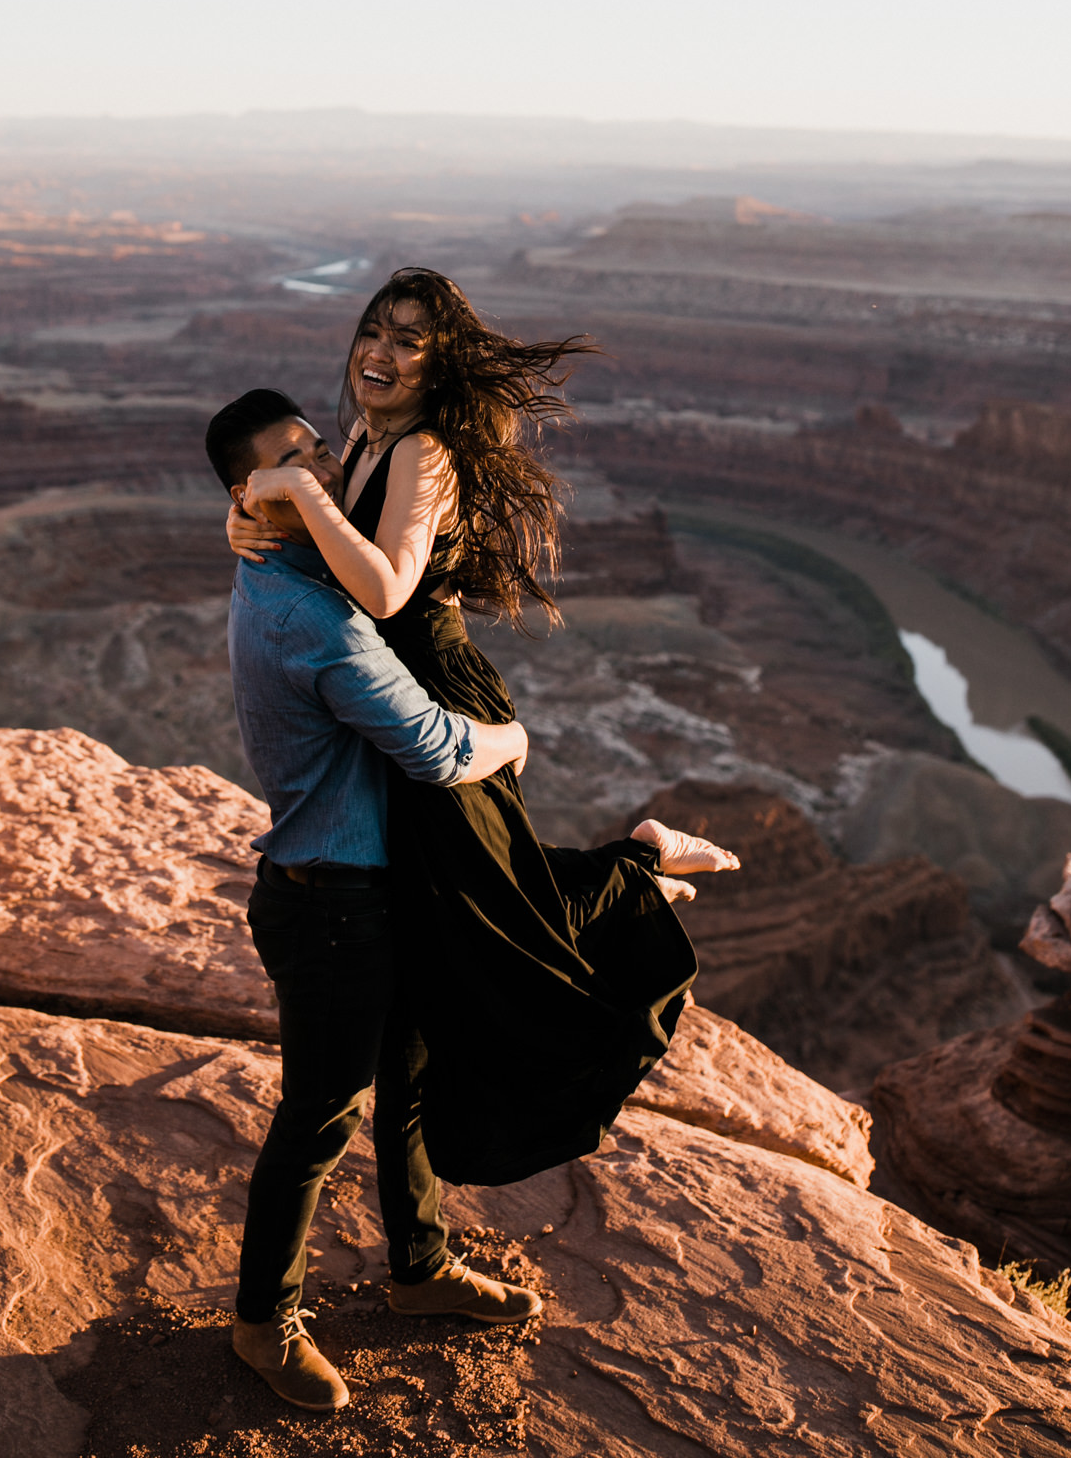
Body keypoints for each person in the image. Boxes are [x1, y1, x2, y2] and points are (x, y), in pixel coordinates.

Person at [228, 269, 739, 1187]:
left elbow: (383, 586)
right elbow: (325, 524)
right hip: (395, 697)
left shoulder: (422, 452)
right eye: (372, 332)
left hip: (445, 700)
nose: (379, 353)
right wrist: (245, 513)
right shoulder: (363, 434)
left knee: (491, 910)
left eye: (408, 339)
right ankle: (417, 1255)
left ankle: (642, 866)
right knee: (455, 923)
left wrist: (294, 495)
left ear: (439, 362)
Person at [206, 387, 543, 1416]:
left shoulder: (303, 562)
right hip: (333, 906)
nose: (323, 472)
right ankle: (263, 1321)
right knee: (320, 1114)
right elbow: (440, 752)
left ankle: (420, 1265)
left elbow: (370, 528)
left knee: (403, 1083)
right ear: (250, 493)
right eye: (293, 464)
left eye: (320, 452)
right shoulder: (308, 615)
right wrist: (515, 741)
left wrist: (295, 489)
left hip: (373, 892)